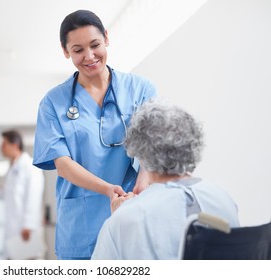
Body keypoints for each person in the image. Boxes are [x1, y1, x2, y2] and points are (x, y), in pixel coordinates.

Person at [33, 10, 156, 260]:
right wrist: (108, 189)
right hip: (81, 226)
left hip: (129, 209)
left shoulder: (141, 89)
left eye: (95, 45)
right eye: (78, 50)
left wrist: (140, 191)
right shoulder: (53, 103)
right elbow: (64, 165)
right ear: (65, 51)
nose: (89, 56)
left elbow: (151, 149)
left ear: (107, 38)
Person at [91, 100, 240, 259]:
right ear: (193, 143)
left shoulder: (128, 218)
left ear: (140, 150)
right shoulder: (223, 198)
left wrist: (120, 216)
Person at [0, 130, 45, 259]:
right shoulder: (12, 169)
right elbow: (8, 194)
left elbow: (33, 197)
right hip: (13, 227)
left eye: (4, 144)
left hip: (25, 228)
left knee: (27, 264)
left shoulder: (30, 166)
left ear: (15, 145)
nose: (1, 148)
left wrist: (28, 224)